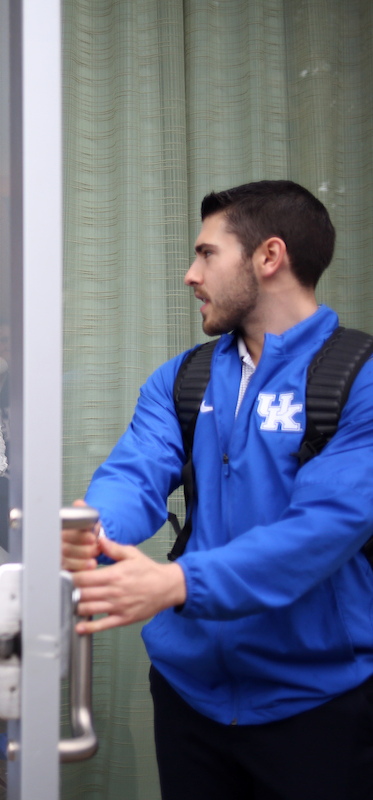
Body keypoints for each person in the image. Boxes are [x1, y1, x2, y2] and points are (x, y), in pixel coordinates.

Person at [61, 180, 373, 799]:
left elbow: (323, 528)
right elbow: (135, 473)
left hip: (317, 703)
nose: (189, 274)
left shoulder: (357, 379)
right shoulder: (183, 378)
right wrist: (95, 529)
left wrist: (177, 583)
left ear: (269, 257)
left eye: (206, 254)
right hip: (189, 695)